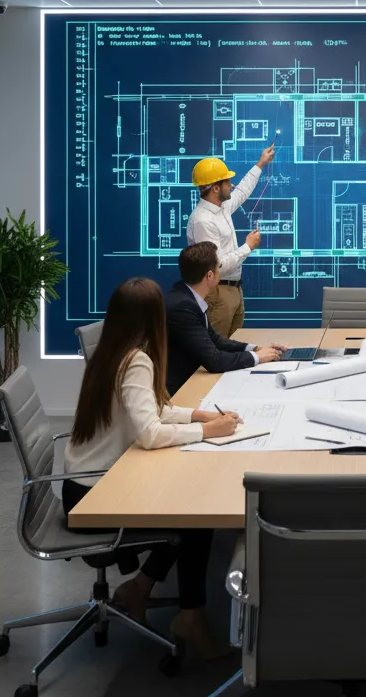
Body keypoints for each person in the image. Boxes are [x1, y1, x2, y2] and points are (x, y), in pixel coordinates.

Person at [63, 277, 241, 658]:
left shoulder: (112, 351)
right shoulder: (138, 359)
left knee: (192, 507)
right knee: (197, 516)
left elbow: (151, 409)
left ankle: (140, 588)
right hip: (100, 493)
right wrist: (207, 431)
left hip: (80, 483)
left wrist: (196, 413)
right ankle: (189, 619)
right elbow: (148, 432)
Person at [166, 241, 286, 392]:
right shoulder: (184, 307)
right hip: (180, 389)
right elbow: (214, 361)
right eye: (219, 267)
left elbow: (214, 340)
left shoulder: (185, 295)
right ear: (209, 276)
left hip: (190, 379)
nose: (220, 271)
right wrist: (257, 357)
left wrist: (255, 348)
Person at [186, 144, 275, 338]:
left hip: (232, 290)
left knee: (232, 348)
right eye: (228, 182)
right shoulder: (202, 220)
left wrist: (261, 163)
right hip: (217, 294)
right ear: (216, 188)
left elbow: (242, 191)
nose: (232, 185)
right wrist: (248, 247)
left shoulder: (221, 206)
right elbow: (217, 265)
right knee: (215, 351)